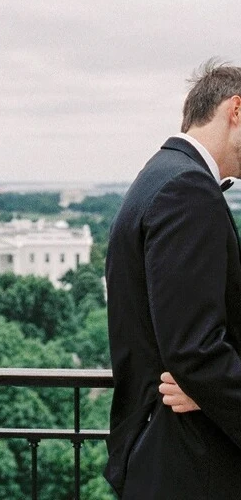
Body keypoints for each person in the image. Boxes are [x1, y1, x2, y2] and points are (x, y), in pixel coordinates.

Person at [104, 61, 241, 500]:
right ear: (235, 110)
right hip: (187, 460)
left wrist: (203, 384)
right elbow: (194, 351)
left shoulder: (160, 174)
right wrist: (203, 381)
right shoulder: (187, 189)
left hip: (162, 453)